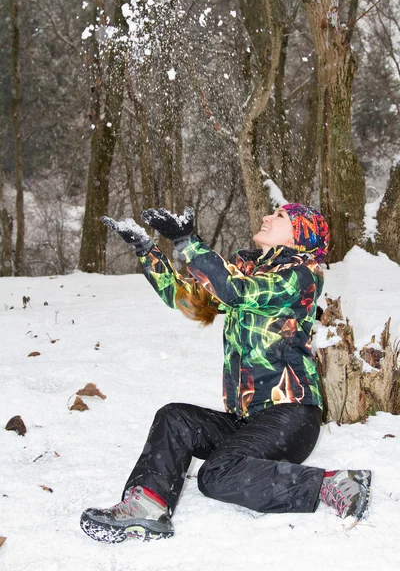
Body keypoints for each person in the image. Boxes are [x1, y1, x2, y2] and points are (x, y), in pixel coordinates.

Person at [80, 203, 371, 544]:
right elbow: (188, 300)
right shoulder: (252, 271)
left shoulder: (301, 275)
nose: (266, 216)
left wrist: (188, 241)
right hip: (251, 420)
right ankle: (147, 505)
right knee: (175, 418)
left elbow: (235, 290)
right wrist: (147, 250)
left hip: (292, 416)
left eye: (278, 217)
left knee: (216, 475)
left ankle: (332, 483)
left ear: (300, 235)